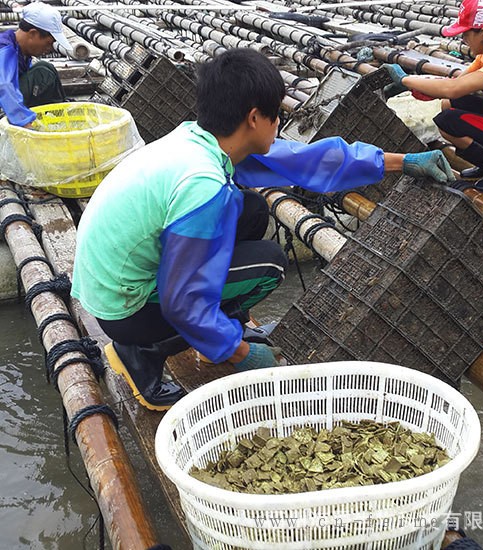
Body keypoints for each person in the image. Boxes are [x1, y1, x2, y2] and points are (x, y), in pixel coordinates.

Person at [71, 48, 454, 411]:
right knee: (269, 265)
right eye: (277, 117)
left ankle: (221, 328)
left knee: (251, 209)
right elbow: (182, 302)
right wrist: (239, 354)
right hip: (124, 307)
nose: (279, 126)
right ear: (254, 118)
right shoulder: (202, 185)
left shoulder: (198, 139)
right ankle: (143, 351)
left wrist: (401, 162)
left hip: (112, 278)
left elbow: (303, 160)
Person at [382, 0, 483, 192]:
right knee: (450, 104)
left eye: (466, 33)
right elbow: (457, 85)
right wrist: (421, 89)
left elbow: (453, 87)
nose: (463, 39)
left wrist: (404, 80)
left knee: (447, 121)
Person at [0, 2, 72, 128]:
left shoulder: (22, 52)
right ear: (33, 33)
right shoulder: (5, 48)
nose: (49, 48)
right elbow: (4, 85)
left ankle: (61, 113)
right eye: (48, 43)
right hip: (3, 105)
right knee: (43, 71)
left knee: (47, 69)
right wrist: (25, 123)